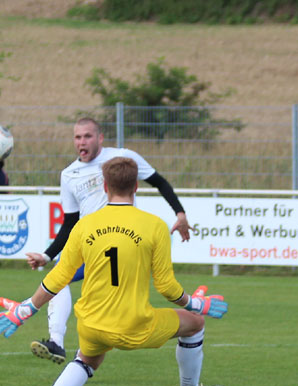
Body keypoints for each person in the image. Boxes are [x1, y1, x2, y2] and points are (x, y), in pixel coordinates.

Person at [0, 157, 228, 386]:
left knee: (87, 360)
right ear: (136, 186)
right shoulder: (154, 226)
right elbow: (166, 287)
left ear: (104, 186)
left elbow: (59, 276)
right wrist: (197, 304)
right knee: (195, 323)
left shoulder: (85, 225)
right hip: (134, 326)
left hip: (92, 324)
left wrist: (26, 309)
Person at [24, 117, 191, 364]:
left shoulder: (122, 158)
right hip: (91, 244)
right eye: (78, 137)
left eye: (88, 136)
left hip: (124, 242)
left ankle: (90, 346)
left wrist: (180, 213)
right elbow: (70, 222)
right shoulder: (69, 174)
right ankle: (58, 343)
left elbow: (159, 181)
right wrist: (47, 255)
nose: (82, 141)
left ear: (100, 138)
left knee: (75, 286)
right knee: (60, 277)